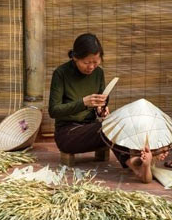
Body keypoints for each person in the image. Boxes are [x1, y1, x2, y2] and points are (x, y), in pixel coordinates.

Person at [49, 33, 155, 182]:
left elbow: (101, 100)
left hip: (93, 128)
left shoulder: (98, 73)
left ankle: (138, 161)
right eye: (86, 62)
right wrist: (83, 103)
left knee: (117, 120)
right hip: (68, 133)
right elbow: (53, 110)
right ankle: (134, 164)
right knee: (106, 127)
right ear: (75, 57)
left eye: (95, 62)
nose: (91, 67)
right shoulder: (61, 74)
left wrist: (101, 109)